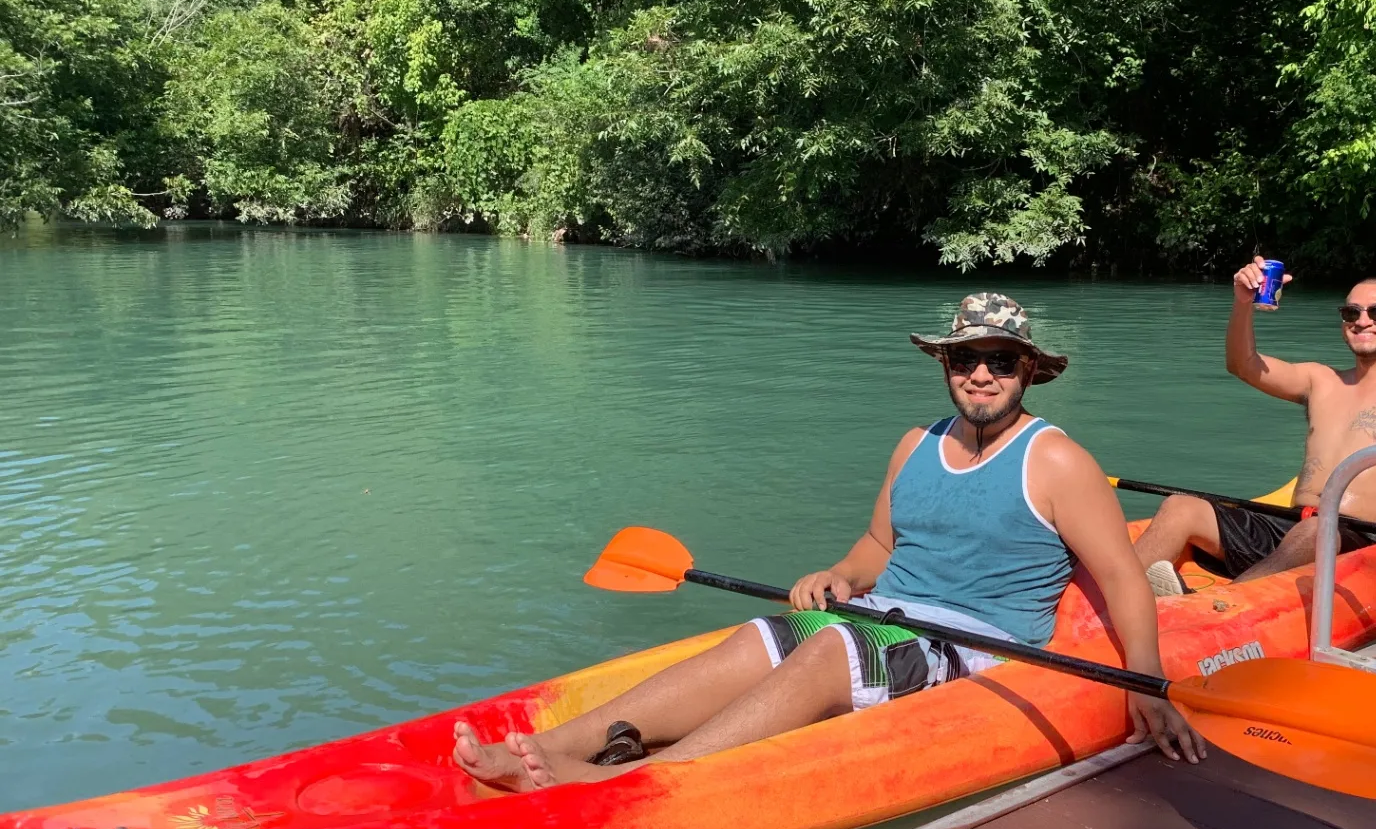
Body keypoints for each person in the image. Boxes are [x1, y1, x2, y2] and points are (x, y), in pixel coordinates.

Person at [454, 292, 1204, 789]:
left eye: (1001, 360)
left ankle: (638, 778)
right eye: (964, 359)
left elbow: (1122, 577)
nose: (981, 375)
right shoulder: (916, 444)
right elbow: (879, 545)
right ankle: (554, 747)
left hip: (979, 642)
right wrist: (840, 574)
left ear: (1029, 371)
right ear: (944, 365)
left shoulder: (1058, 461)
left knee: (828, 651)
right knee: (762, 636)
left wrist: (1145, 684)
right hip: (886, 614)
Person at [1134, 260, 1376, 593]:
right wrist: (1243, 302)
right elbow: (1242, 364)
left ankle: (1220, 606)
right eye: (1351, 313)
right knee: (1180, 507)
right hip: (1292, 525)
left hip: (1359, 539)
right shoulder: (1320, 380)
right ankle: (1117, 596)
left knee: (1315, 531)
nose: (1363, 321)